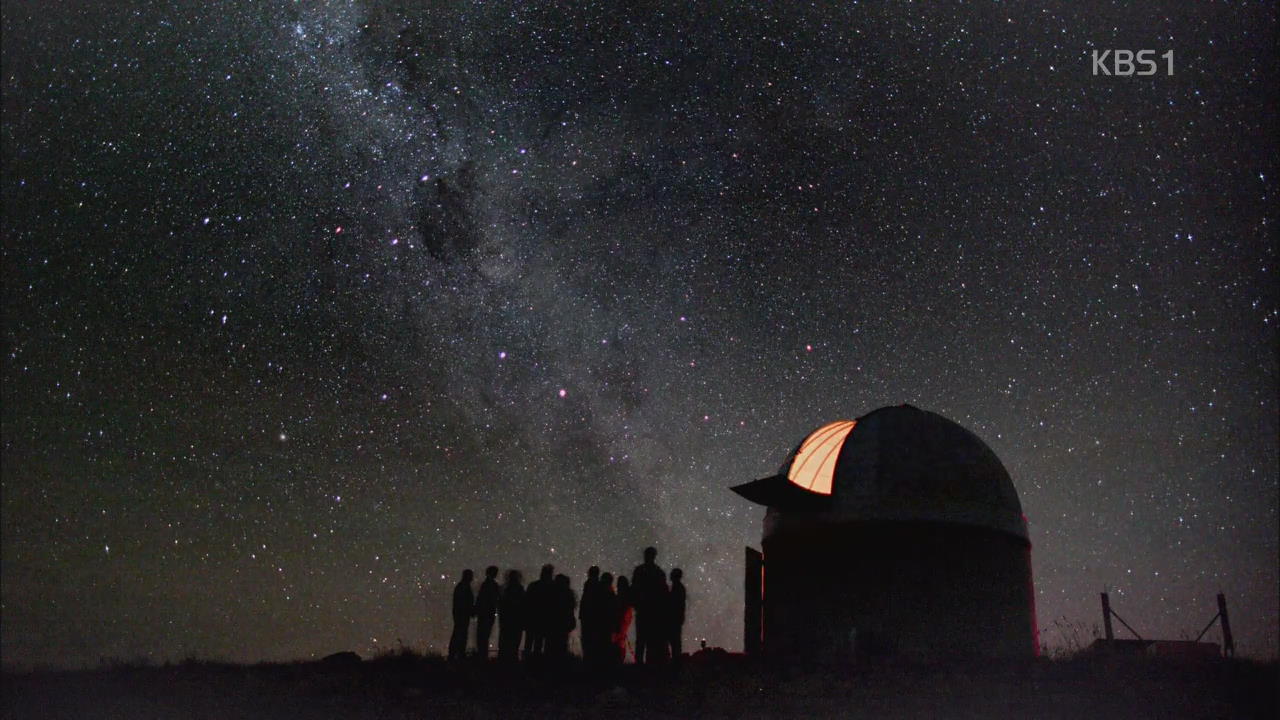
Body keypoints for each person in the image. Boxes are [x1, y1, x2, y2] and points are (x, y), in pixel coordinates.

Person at [631, 547, 666, 663]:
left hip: (644, 610)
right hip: (652, 611)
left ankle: (640, 666)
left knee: (642, 640)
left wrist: (636, 604)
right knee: (650, 641)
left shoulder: (639, 571)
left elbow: (634, 590)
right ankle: (648, 667)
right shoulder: (658, 572)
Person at [523, 564, 554, 659]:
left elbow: (527, 603)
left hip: (533, 619)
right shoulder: (553, 587)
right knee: (539, 643)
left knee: (529, 643)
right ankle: (538, 664)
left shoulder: (533, 586)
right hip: (544, 620)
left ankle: (527, 663)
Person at [497, 569, 525, 662]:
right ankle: (512, 660)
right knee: (514, 642)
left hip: (507, 620)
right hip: (516, 620)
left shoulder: (504, 590)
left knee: (506, 641)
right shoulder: (519, 589)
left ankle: (504, 660)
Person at [548, 574, 577, 660]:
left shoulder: (552, 594)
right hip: (563, 625)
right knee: (562, 646)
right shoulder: (568, 595)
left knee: (551, 646)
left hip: (553, 625)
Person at [474, 565, 501, 659]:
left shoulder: (486, 585)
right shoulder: (494, 586)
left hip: (484, 614)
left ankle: (482, 656)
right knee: (484, 636)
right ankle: (483, 656)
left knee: (482, 636)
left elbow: (480, 600)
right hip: (489, 614)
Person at [448, 569, 475, 661]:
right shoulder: (464, 587)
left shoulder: (462, 586)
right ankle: (457, 655)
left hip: (460, 615)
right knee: (460, 634)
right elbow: (465, 602)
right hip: (462, 615)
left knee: (459, 634)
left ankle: (456, 654)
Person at [579, 566, 601, 663]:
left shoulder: (588, 585)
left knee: (587, 640)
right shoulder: (599, 585)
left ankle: (588, 661)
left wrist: (582, 615)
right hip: (594, 618)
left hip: (588, 618)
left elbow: (584, 602)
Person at [613, 575, 634, 663]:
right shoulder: (627, 598)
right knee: (620, 643)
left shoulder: (620, 598)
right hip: (623, 623)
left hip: (619, 624)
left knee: (618, 643)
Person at [667, 568, 686, 662]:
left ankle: (675, 663)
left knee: (674, 643)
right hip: (675, 619)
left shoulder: (677, 588)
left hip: (673, 620)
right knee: (675, 643)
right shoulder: (678, 588)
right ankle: (675, 662)